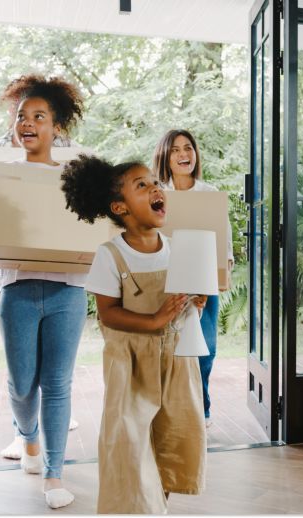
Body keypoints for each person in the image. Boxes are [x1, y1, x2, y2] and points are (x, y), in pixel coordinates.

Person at [0, 76, 87, 509]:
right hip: (16, 284)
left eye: (39, 116)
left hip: (68, 287)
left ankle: (54, 474)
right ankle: (28, 438)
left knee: (57, 383)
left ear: (56, 124)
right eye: (21, 116)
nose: (27, 123)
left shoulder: (76, 165)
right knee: (21, 383)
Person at [61, 155, 207, 514]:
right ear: (120, 207)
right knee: (130, 442)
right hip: (130, 364)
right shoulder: (111, 255)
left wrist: (196, 303)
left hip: (175, 362)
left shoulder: (177, 249)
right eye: (141, 185)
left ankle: (160, 506)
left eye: (156, 182)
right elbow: (108, 315)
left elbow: (184, 313)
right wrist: (155, 320)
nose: (155, 188)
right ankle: (135, 507)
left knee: (172, 438)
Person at [152, 129, 233, 428]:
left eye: (188, 148)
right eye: (175, 150)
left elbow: (223, 241)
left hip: (203, 282)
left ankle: (203, 408)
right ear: (165, 156)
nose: (183, 154)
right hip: (165, 282)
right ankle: (169, 409)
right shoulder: (156, 193)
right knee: (169, 348)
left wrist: (217, 281)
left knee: (204, 350)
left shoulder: (209, 193)